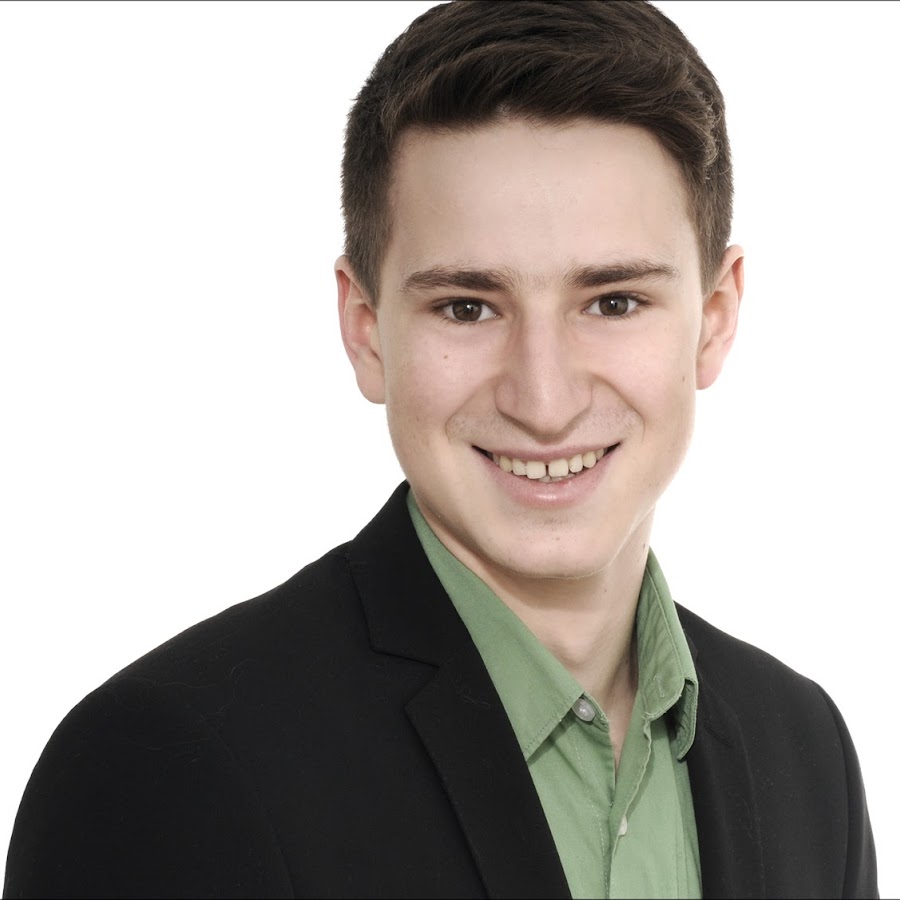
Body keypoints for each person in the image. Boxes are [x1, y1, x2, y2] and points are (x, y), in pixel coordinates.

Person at [2, 1, 879, 897]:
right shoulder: (163, 768)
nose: (544, 400)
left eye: (613, 302)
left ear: (716, 319)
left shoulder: (806, 753)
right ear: (366, 331)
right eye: (468, 307)